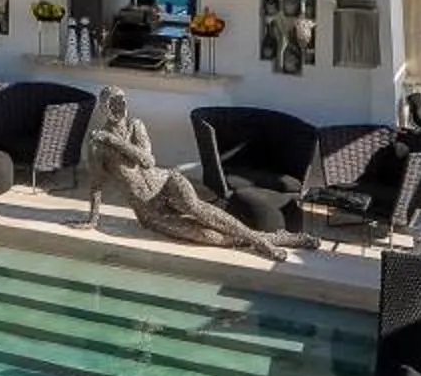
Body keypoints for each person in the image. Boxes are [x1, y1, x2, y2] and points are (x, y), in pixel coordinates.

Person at [83, 86, 295, 260]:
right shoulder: (98, 146)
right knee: (207, 236)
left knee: (199, 209)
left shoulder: (135, 126)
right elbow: (96, 184)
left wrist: (115, 141)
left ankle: (261, 243)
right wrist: (93, 219)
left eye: (121, 101)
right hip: (148, 210)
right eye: (112, 104)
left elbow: (147, 161)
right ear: (104, 109)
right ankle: (277, 238)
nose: (118, 108)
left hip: (166, 182)